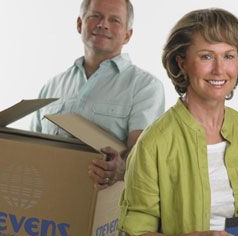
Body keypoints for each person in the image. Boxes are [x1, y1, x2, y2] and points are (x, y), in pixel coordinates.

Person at [118, 8, 238, 236]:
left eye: (229, 56)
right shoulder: (154, 143)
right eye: (206, 57)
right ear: (182, 63)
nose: (219, 70)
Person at [30, 0, 164, 189]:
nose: (103, 24)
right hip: (49, 204)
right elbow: (32, 148)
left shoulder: (145, 87)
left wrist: (122, 168)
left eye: (115, 20)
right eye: (95, 16)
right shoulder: (52, 86)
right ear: (80, 24)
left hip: (104, 208)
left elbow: (142, 155)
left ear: (127, 34)